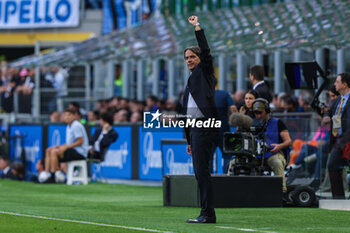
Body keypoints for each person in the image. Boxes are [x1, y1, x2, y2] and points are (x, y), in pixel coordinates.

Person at [182, 16, 218, 224]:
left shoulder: (204, 73)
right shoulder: (191, 79)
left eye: (192, 57)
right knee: (200, 173)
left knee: (202, 173)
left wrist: (197, 27)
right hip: (195, 131)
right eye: (186, 57)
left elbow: (206, 52)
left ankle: (207, 214)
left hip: (204, 128)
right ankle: (206, 212)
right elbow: (188, 111)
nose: (189, 60)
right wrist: (188, 139)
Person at [252, 98, 292, 193]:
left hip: (273, 153)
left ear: (267, 111)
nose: (258, 115)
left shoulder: (277, 122)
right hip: (256, 155)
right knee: (234, 162)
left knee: (277, 162)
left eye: (260, 112)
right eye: (256, 113)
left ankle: (282, 192)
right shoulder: (251, 123)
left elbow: (288, 141)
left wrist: (279, 146)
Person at [41, 108, 89, 183]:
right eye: (65, 115)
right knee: (49, 150)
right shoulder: (68, 126)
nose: (67, 117)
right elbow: (69, 143)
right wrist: (59, 147)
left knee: (54, 152)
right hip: (73, 150)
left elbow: (80, 141)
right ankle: (47, 174)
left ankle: (54, 176)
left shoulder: (76, 125)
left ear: (74, 116)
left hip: (80, 152)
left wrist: (65, 147)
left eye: (69, 115)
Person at [325, 73, 350, 199]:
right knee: (332, 166)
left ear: (344, 84)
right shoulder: (337, 101)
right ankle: (338, 198)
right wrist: (326, 117)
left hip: (348, 141)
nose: (335, 84)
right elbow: (329, 112)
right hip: (337, 140)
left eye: (337, 81)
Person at [212, 89, 235, 173]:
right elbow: (233, 108)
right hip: (223, 130)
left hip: (209, 131)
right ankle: (226, 178)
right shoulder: (224, 94)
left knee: (208, 158)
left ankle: (209, 180)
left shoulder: (203, 95)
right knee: (227, 156)